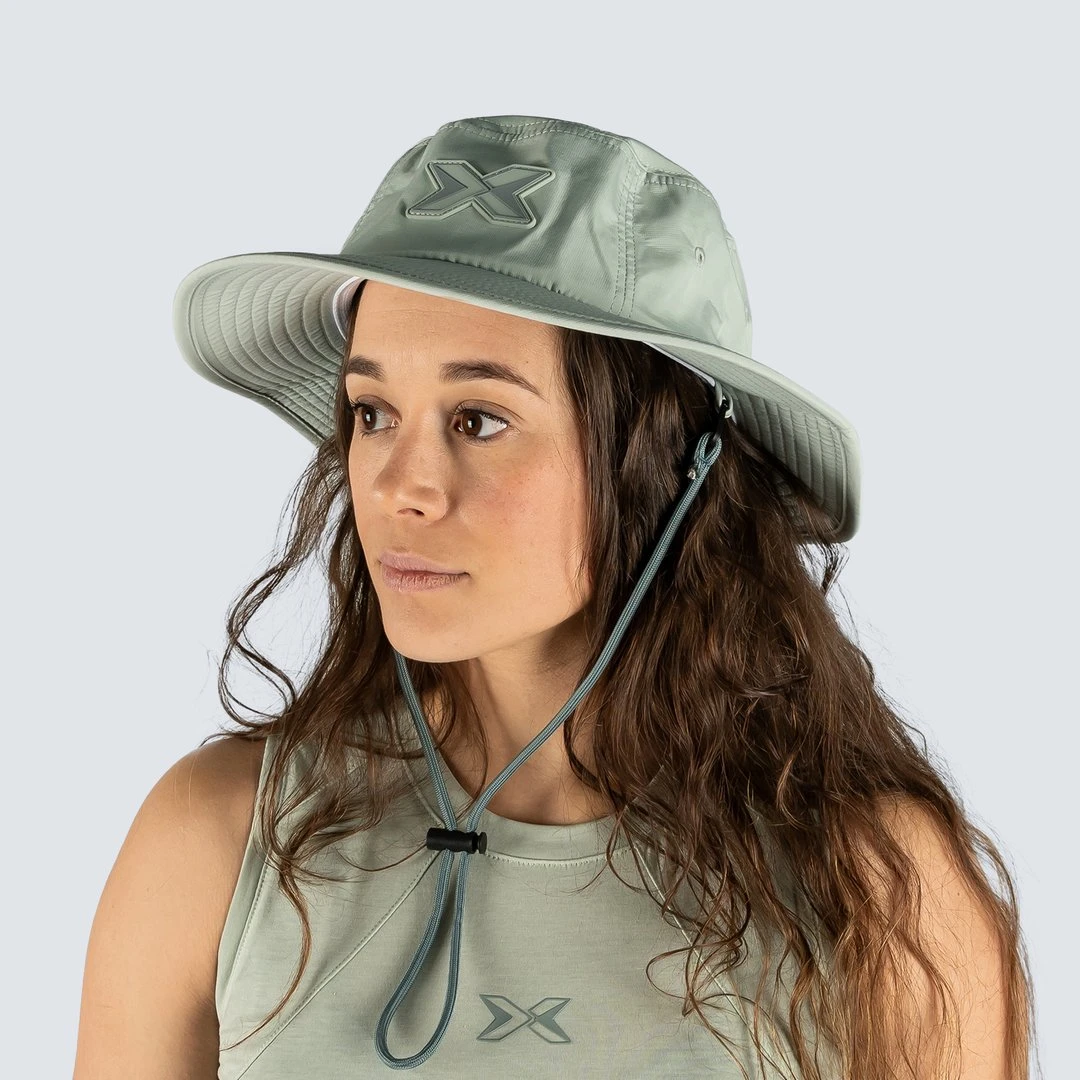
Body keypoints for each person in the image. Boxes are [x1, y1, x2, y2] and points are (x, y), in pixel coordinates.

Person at [74, 114, 1035, 1079]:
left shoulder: (875, 893)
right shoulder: (220, 840)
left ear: (665, 461)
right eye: (373, 412)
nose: (400, 486)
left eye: (479, 419)